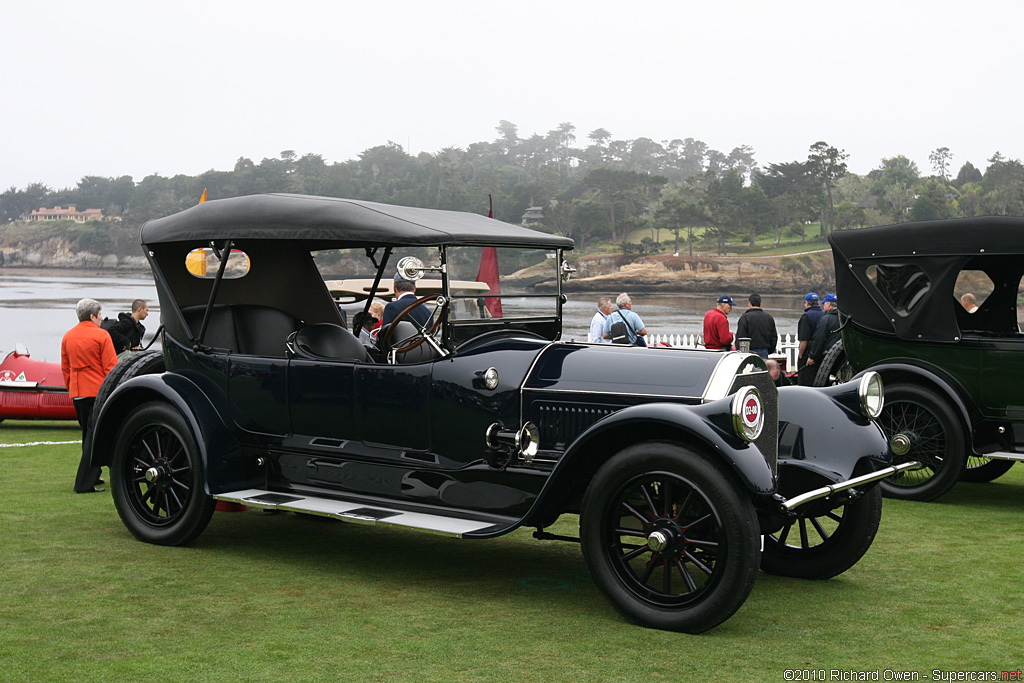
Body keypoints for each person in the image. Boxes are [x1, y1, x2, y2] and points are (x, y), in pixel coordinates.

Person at [61, 298, 118, 493]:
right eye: (100, 314)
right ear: (92, 316)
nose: (102, 318)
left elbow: (65, 368)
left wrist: (72, 388)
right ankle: (85, 482)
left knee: (88, 434)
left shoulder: (68, 336)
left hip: (78, 391)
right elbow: (111, 368)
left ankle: (95, 475)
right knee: (95, 436)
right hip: (97, 391)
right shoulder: (101, 336)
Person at [804, 293, 841, 386]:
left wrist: (813, 356)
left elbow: (819, 338)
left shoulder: (826, 319)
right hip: (842, 356)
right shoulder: (843, 319)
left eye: (824, 303)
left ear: (828, 304)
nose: (823, 305)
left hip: (828, 356)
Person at [735, 293, 778, 358]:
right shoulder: (769, 318)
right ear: (760, 303)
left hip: (749, 351)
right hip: (764, 350)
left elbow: (741, 336)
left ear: (749, 303)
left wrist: (739, 350)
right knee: (763, 367)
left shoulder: (745, 318)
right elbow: (773, 337)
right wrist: (770, 350)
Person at [797, 292, 824, 385]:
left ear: (807, 303)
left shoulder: (806, 317)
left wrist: (800, 355)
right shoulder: (824, 315)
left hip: (808, 353)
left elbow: (804, 340)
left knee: (805, 381)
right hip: (821, 352)